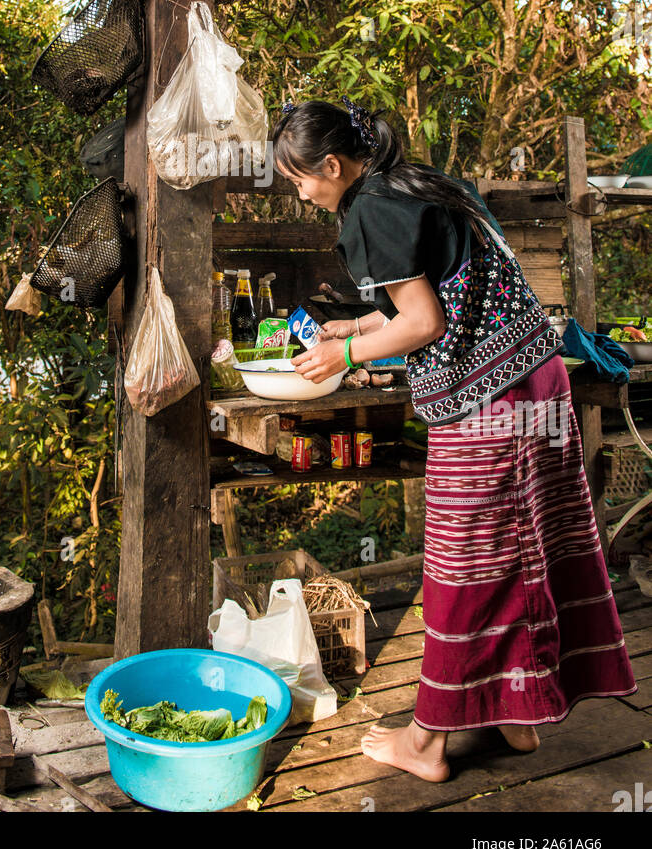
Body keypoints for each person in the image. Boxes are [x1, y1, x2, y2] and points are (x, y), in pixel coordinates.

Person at [272, 96, 637, 783]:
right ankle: (516, 715)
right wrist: (346, 332)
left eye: (299, 180)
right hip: (538, 380)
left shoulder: (369, 210)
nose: (301, 193)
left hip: (491, 404)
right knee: (524, 548)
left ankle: (427, 740)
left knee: (463, 567)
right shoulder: (416, 185)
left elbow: (423, 324)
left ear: (330, 164)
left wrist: (344, 360)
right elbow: (423, 300)